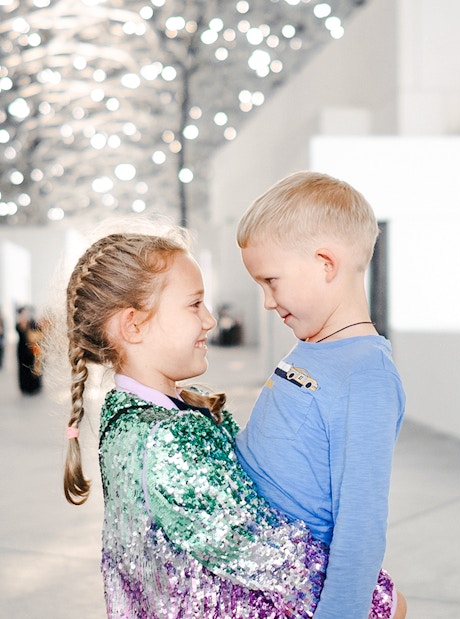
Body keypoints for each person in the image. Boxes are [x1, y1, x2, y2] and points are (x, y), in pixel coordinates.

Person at [61, 229, 396, 619]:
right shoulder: (167, 441)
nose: (209, 319)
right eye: (194, 304)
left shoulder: (137, 415)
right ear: (133, 326)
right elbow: (269, 555)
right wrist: (381, 601)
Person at [235, 171, 407, 619]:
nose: (268, 302)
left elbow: (361, 524)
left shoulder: (366, 374)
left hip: (292, 586)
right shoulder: (311, 345)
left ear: (325, 264)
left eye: (271, 280)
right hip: (253, 568)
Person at [15, 306, 42, 395]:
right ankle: (25, 387)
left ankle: (34, 387)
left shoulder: (32, 321)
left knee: (33, 367)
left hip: (31, 348)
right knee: (23, 368)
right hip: (23, 349)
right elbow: (20, 332)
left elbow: (38, 331)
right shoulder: (19, 323)